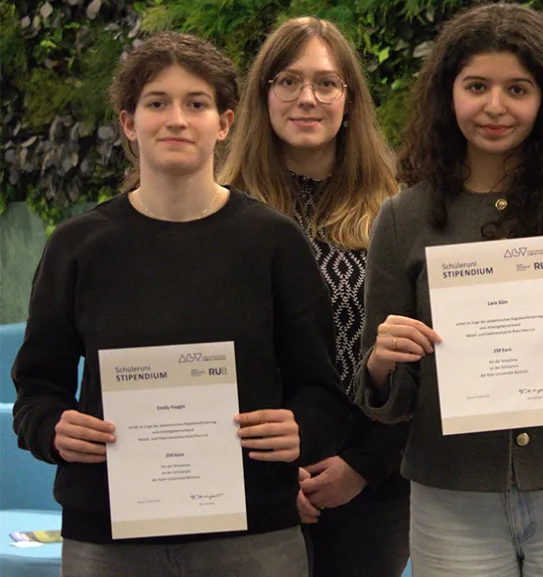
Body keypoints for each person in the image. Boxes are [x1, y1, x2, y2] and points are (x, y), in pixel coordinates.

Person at [11, 32, 352, 577]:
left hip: (253, 537)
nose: (176, 119)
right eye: (156, 103)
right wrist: (53, 428)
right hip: (109, 542)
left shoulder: (274, 242)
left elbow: (322, 391)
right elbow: (36, 391)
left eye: (196, 104)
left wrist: (301, 429)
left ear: (223, 123)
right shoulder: (78, 247)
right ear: (128, 123)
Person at [354, 2, 543, 577]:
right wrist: (382, 366)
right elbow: (384, 394)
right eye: (476, 86)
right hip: (452, 493)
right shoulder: (402, 218)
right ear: (449, 94)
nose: (495, 106)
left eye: (518, 88)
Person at [220, 16, 409, 577]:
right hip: (246, 484)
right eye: (288, 81)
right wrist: (270, 479)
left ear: (349, 101)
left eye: (326, 83)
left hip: (369, 486)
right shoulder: (218, 214)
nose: (308, 98)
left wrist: (361, 465)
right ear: (262, 96)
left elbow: (419, 358)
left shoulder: (396, 214)